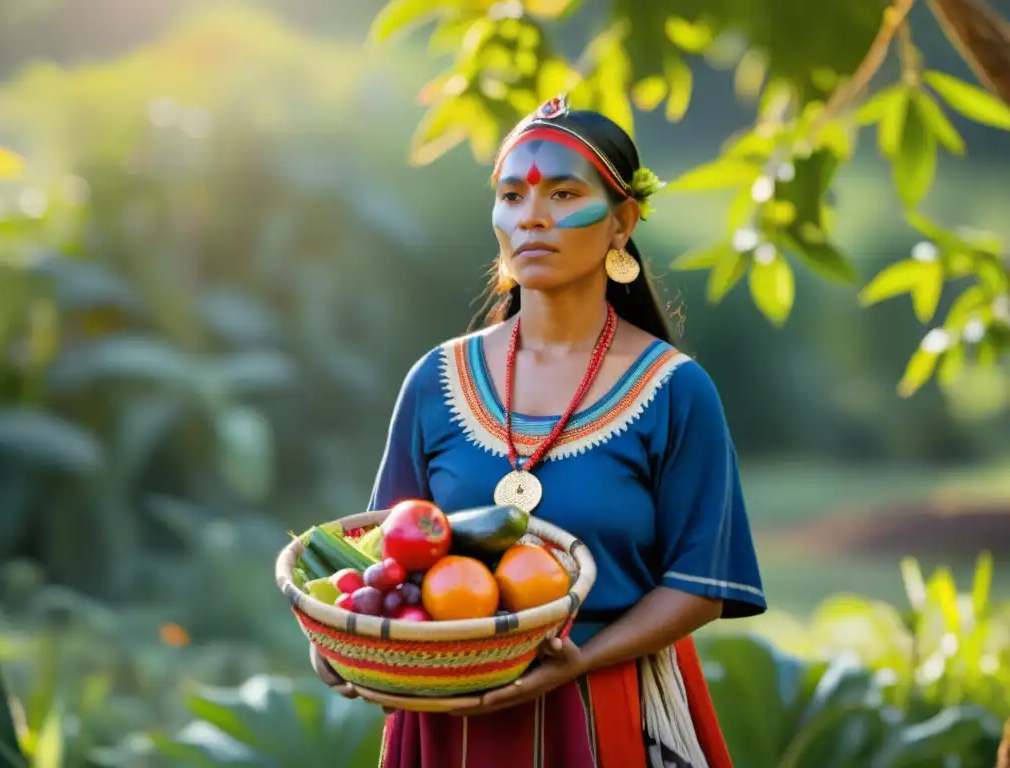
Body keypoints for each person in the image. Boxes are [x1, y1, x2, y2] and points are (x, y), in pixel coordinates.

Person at [310, 95, 767, 768]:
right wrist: (342, 642)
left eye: (562, 192)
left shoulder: (674, 390)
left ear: (622, 223)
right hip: (447, 722)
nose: (532, 217)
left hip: (605, 711)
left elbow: (700, 584)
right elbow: (382, 554)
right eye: (512, 195)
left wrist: (576, 661)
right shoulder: (436, 382)